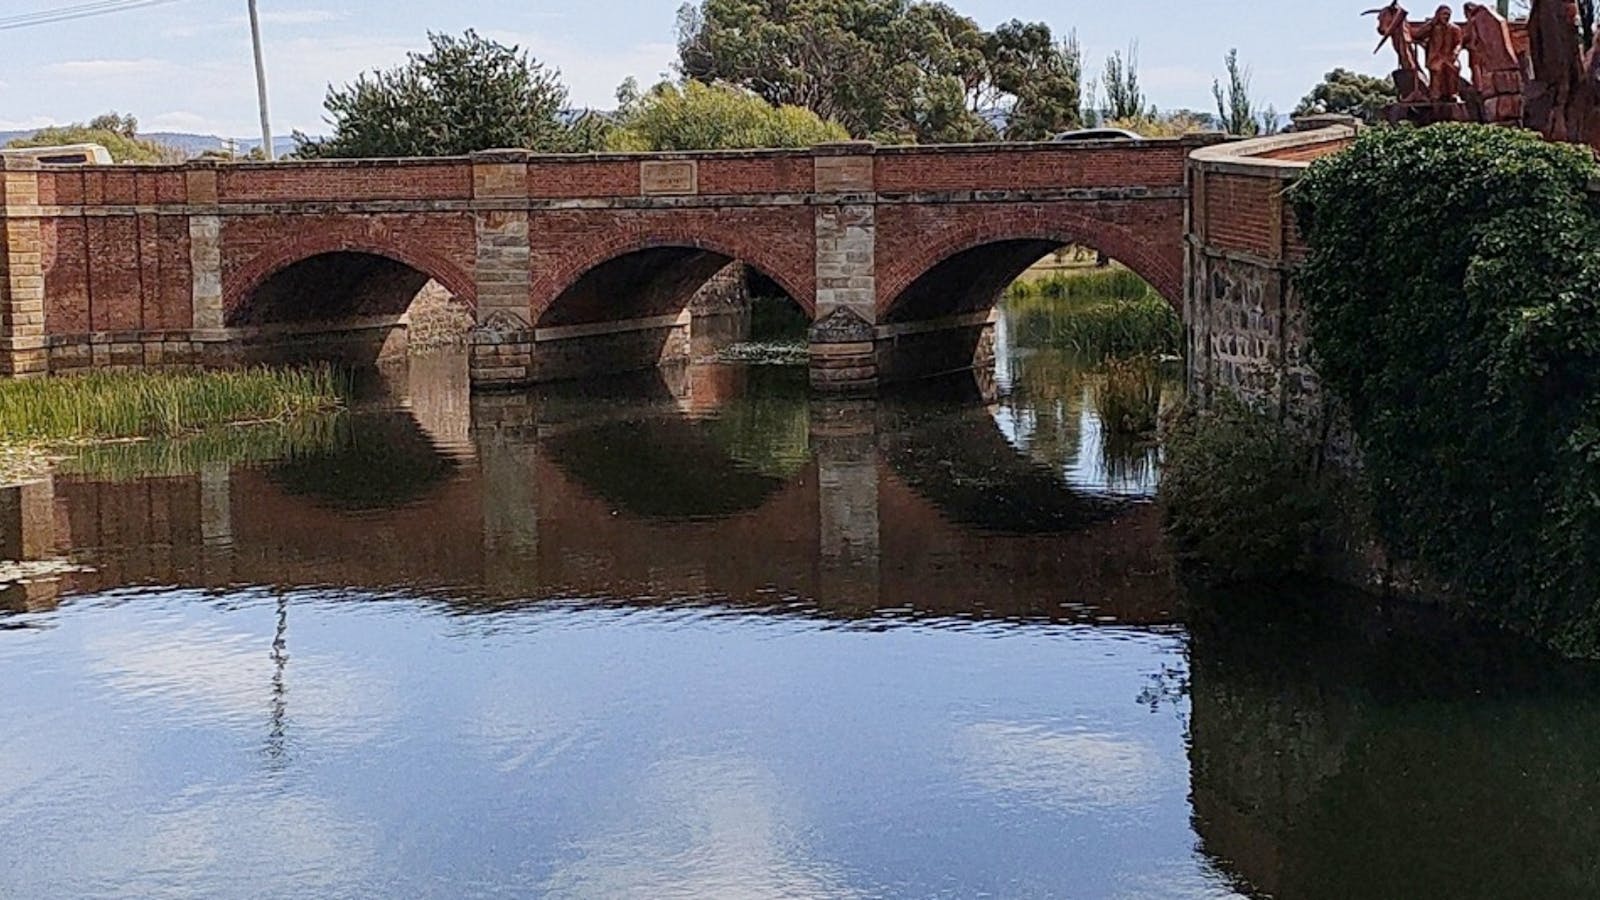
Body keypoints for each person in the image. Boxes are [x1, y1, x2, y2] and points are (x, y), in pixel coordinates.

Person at [1411, 5, 1466, 101]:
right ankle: (1435, 94)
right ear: (1438, 15)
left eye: (1448, 14)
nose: (1446, 16)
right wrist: (1430, 24)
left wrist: (1455, 52)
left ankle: (1453, 93)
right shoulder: (1432, 27)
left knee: (1454, 68)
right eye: (1444, 14)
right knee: (1437, 69)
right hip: (1436, 57)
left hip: (1449, 57)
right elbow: (1418, 35)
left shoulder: (1455, 29)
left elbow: (1459, 43)